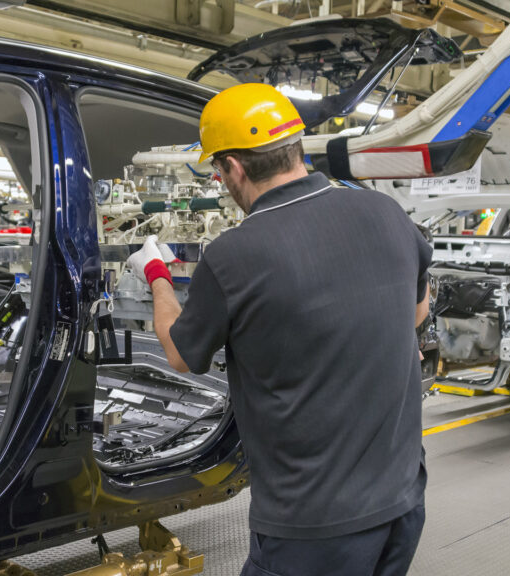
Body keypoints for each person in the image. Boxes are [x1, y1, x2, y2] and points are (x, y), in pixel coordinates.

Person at [126, 83, 432, 576]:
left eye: (218, 169)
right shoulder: (387, 214)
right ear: (294, 148)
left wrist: (157, 274)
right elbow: (416, 313)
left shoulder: (234, 256)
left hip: (313, 527)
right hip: (403, 502)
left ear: (235, 168)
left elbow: (182, 355)